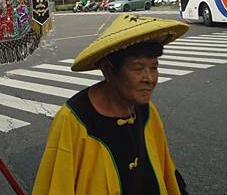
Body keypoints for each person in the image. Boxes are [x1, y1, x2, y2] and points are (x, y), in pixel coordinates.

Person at [32, 14, 189, 195]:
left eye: (154, 67)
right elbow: (56, 186)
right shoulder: (74, 120)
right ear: (108, 69)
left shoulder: (147, 111)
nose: (150, 78)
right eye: (137, 68)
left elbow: (165, 169)